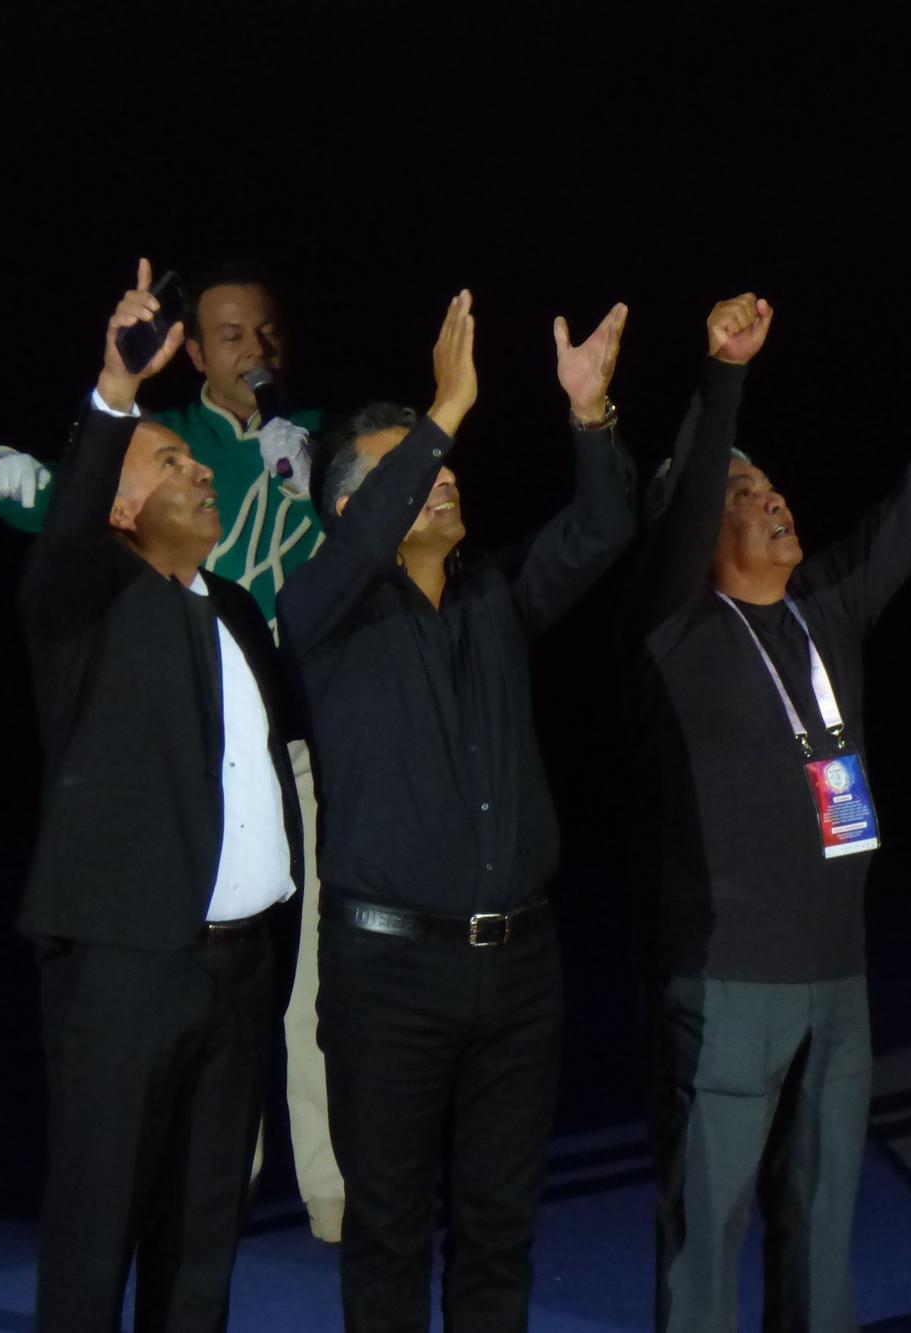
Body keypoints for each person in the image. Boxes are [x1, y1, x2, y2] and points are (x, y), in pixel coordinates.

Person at [629, 289, 911, 1333]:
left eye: (771, 481)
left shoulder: (823, 612)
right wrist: (723, 376)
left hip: (836, 979)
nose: (772, 497)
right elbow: (694, 481)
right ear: (696, 524)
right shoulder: (680, 630)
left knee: (821, 1225)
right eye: (742, 489)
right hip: (727, 983)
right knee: (705, 1236)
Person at [279, 288, 633, 1332]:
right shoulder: (322, 606)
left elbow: (605, 523)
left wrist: (589, 415)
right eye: (411, 472)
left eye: (443, 466)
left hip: (518, 970)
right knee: (387, 1234)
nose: (442, 479)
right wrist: (444, 408)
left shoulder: (494, 594)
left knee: (499, 1231)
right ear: (351, 507)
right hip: (385, 974)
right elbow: (336, 564)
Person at [0, 256, 347, 1241]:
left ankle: (331, 1187)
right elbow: (63, 515)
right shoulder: (165, 440)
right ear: (192, 350)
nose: (253, 350)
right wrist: (20, 478)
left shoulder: (311, 440)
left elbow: (378, 524)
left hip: (299, 746)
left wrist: (311, 472)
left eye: (266, 333)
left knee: (315, 975)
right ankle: (209, 1179)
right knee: (194, 975)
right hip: (179, 759)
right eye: (230, 334)